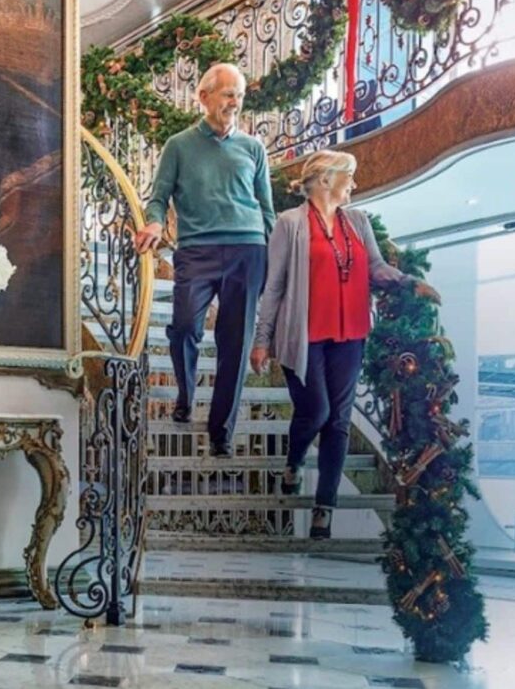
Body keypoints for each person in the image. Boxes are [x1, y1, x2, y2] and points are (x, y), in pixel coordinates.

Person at [249, 150, 439, 539]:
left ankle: (325, 507)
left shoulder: (358, 221)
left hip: (350, 334)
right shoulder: (290, 224)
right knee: (315, 410)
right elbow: (275, 286)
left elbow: (374, 267)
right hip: (303, 336)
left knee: (337, 420)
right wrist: (261, 339)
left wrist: (407, 282)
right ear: (325, 180)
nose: (353, 184)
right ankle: (294, 460)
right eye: (347, 177)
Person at [133, 62, 274, 457]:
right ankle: (186, 392)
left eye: (240, 96)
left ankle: (221, 432)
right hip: (196, 250)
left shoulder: (253, 148)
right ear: (204, 96)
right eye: (228, 93)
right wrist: (155, 224)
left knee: (236, 342)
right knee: (182, 328)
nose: (235, 102)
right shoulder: (179, 146)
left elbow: (266, 207)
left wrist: (271, 252)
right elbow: (158, 197)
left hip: (248, 249)